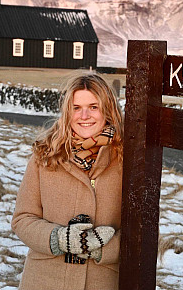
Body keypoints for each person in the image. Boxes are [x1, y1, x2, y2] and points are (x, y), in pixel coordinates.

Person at [11, 73, 124, 290]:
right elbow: (23, 219)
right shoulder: (45, 155)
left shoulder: (126, 159)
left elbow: (142, 233)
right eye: (76, 107)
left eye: (93, 107)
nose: (84, 115)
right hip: (45, 281)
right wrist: (59, 238)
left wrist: (105, 249)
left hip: (102, 282)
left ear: (107, 110)